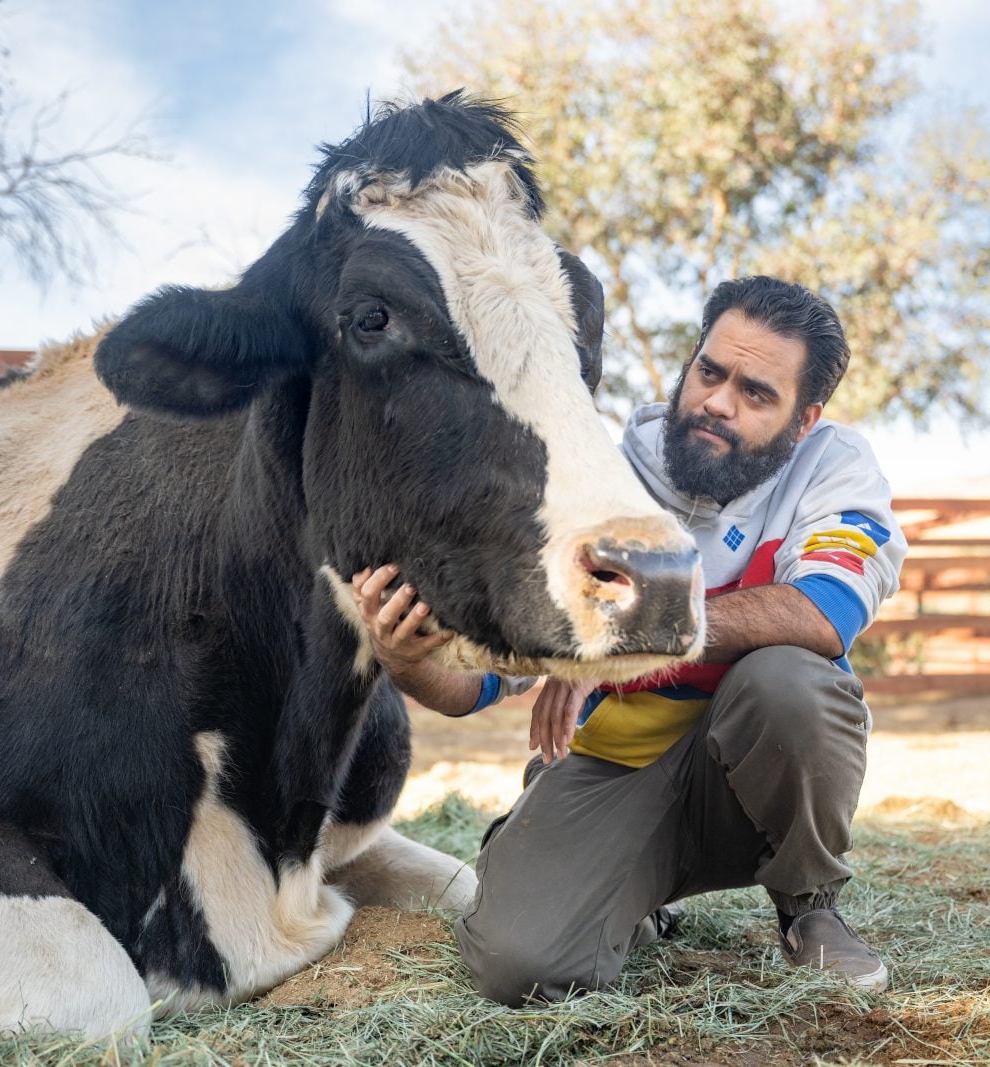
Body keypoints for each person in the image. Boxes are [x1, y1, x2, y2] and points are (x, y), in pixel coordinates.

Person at [351, 275, 905, 1005]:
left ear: (804, 420)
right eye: (710, 371)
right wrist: (404, 658)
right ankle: (613, 880)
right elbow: (470, 686)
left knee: (791, 680)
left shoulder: (834, 468)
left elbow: (823, 610)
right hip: (613, 767)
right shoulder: (594, 476)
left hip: (750, 766)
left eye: (757, 392)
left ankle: (809, 904)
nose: (718, 401)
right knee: (519, 964)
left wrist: (622, 633)